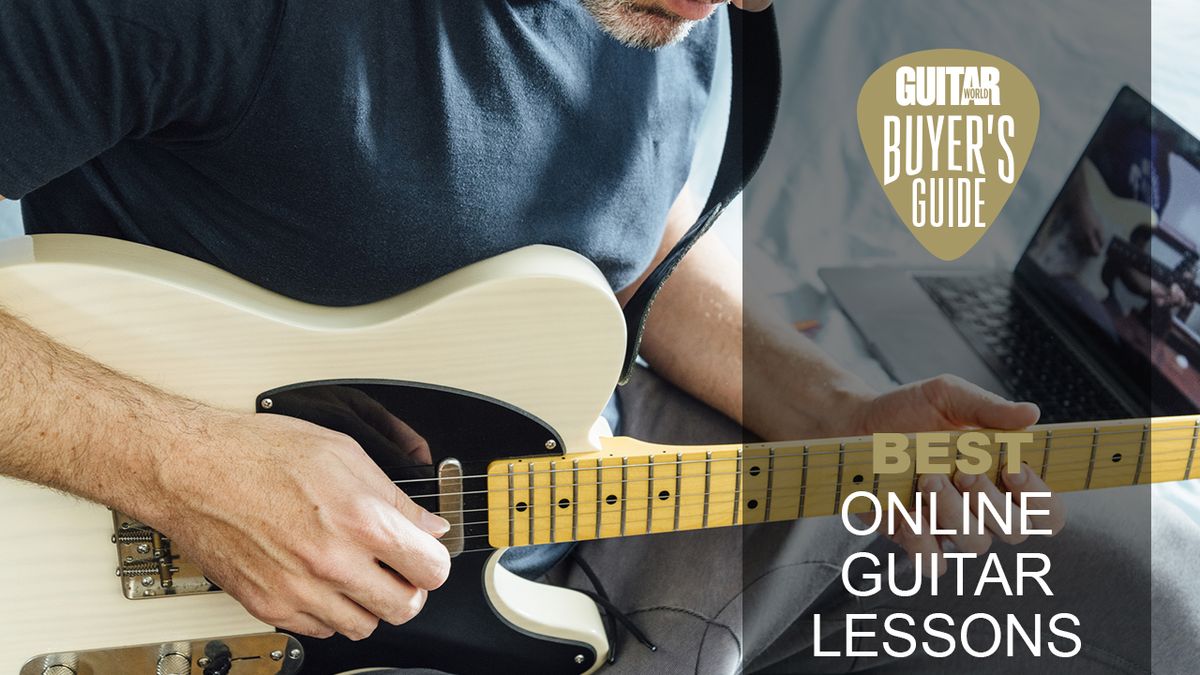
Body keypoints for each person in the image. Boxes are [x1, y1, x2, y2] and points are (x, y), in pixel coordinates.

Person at [10, 1, 1171, 672]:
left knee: (1147, 582)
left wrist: (841, 414)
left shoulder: (679, 11)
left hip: (566, 533)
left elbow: (624, 232)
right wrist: (179, 464)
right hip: (200, 591)